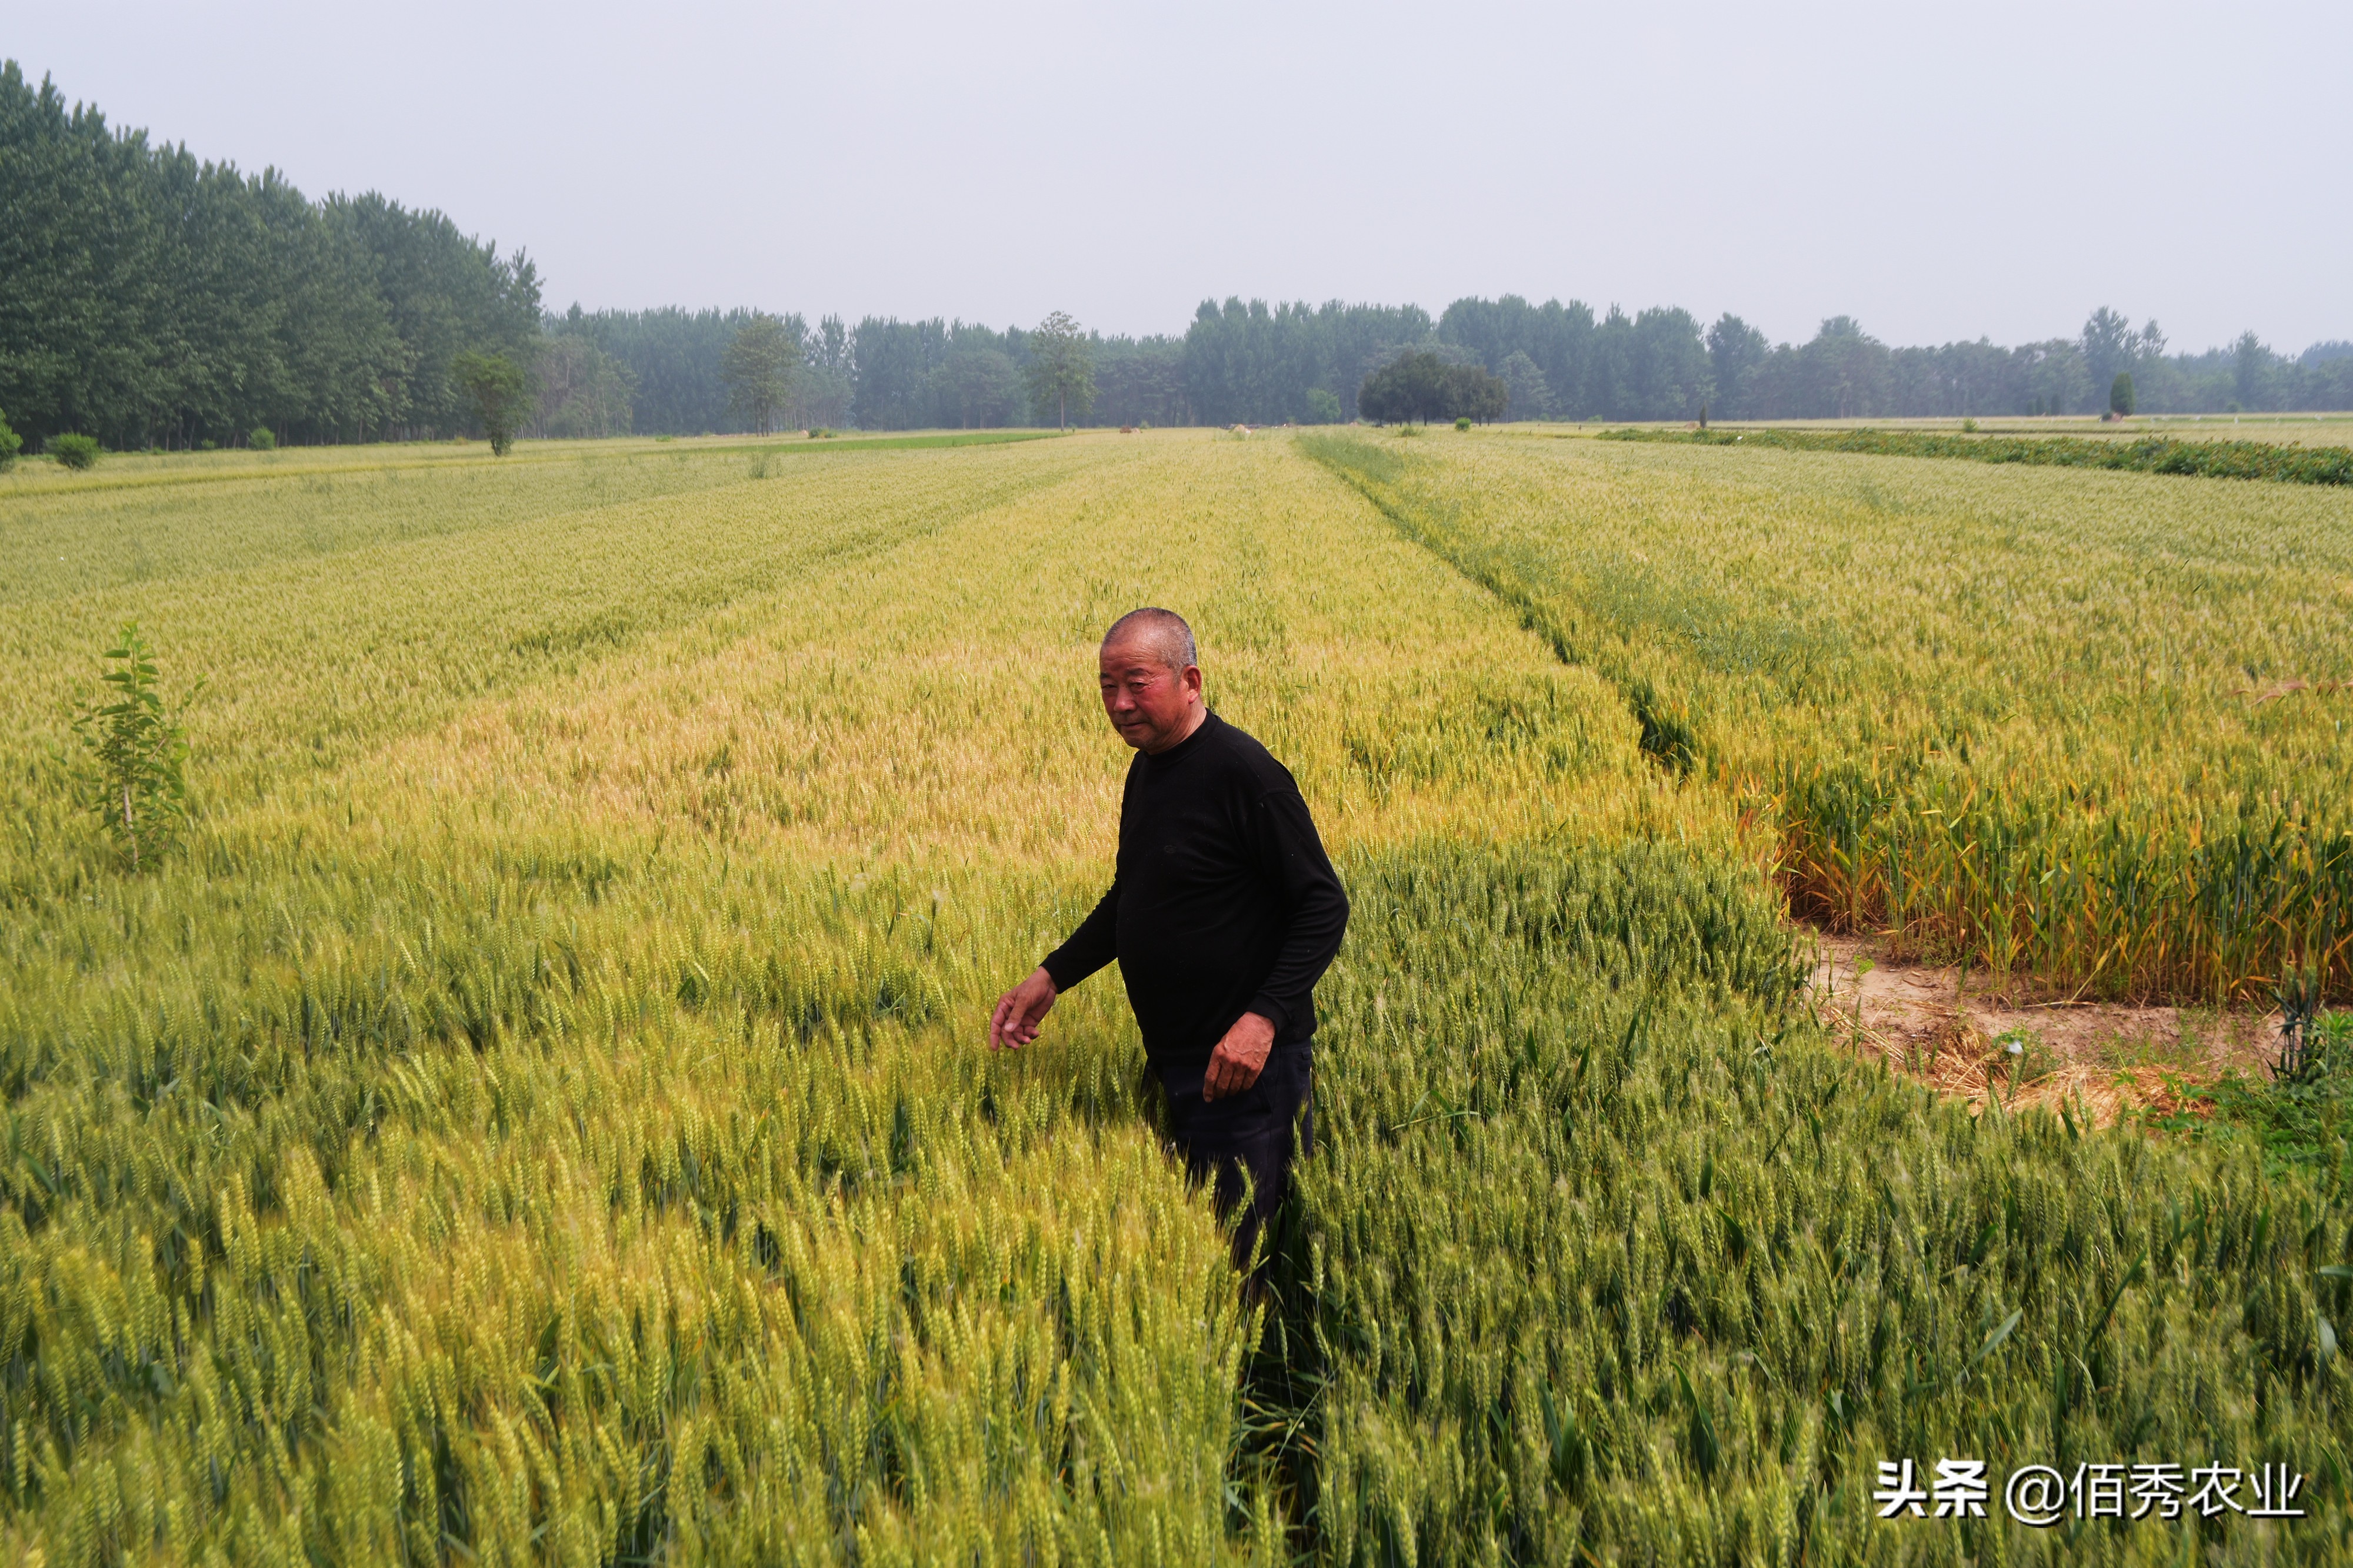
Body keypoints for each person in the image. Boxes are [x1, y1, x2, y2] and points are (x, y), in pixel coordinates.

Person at [988, 607, 1349, 1269]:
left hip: (1244, 1071)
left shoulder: (1245, 772)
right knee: (1196, 1259)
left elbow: (1324, 903)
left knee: (1233, 1263)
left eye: (1136, 682)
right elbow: (1136, 896)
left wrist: (1262, 1020)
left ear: (1189, 679)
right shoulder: (1150, 766)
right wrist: (1052, 974)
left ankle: (1244, 1372)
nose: (1119, 703)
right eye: (1106, 686)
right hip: (1178, 1059)